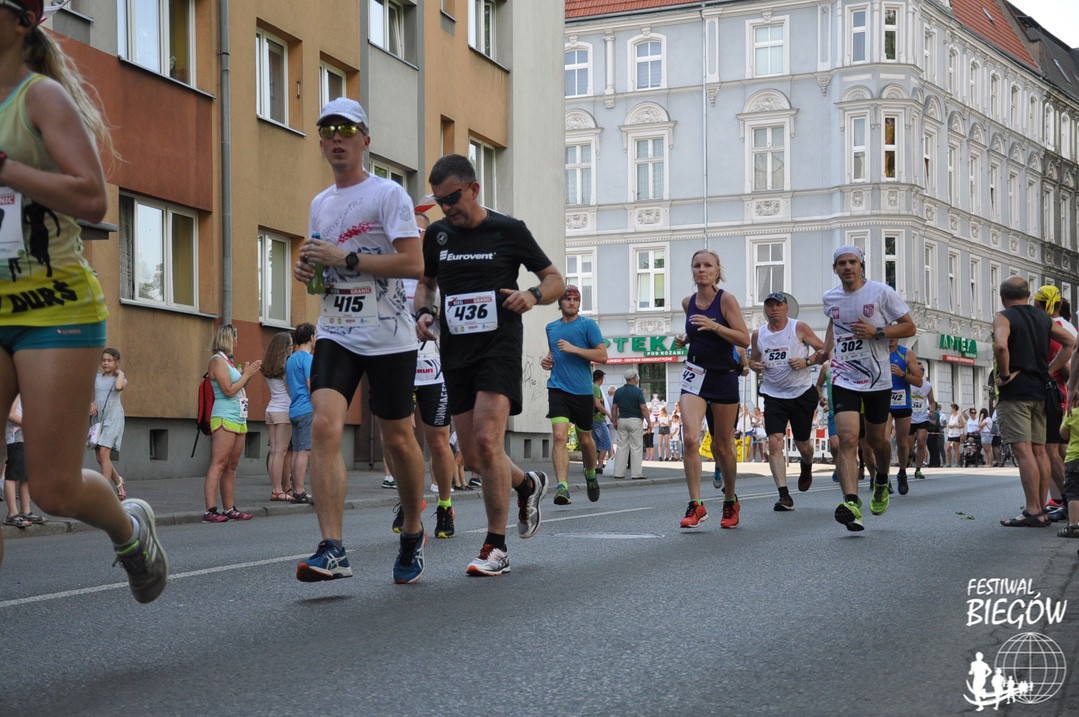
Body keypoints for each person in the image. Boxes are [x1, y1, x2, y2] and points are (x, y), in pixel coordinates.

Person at [0, 0, 167, 600]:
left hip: (54, 310)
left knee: (54, 489)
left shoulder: (39, 98)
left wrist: (6, 169)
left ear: (22, 20)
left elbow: (93, 198)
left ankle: (130, 531)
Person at [292, 98, 428, 584]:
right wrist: (308, 268)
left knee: (398, 438)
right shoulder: (320, 203)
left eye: (347, 130)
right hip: (336, 329)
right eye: (328, 130)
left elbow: (414, 264)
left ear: (365, 140)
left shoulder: (388, 194)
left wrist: (346, 258)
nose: (336, 138)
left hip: (389, 334)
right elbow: (324, 264)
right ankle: (333, 547)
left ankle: (412, 529)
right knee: (324, 425)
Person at [414, 152, 562, 577]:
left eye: (453, 198)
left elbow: (555, 280)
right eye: (440, 201)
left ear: (474, 189)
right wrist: (422, 313)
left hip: (499, 347)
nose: (447, 208)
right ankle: (527, 484)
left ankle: (496, 546)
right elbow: (426, 284)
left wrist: (532, 295)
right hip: (455, 351)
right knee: (477, 458)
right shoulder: (438, 235)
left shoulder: (508, 230)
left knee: (486, 439)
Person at [822, 245, 916, 531]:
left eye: (852, 262)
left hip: (877, 378)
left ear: (861, 266)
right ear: (835, 268)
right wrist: (826, 350)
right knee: (847, 439)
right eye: (841, 263)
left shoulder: (881, 292)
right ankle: (851, 503)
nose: (847, 267)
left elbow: (909, 327)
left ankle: (882, 479)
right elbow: (834, 323)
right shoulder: (830, 297)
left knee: (877, 441)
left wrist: (878, 331)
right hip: (844, 376)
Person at [674, 249, 750, 529]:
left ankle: (730, 500)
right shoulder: (688, 302)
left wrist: (714, 326)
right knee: (690, 439)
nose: (702, 270)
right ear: (692, 270)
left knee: (722, 446)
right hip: (695, 375)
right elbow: (697, 332)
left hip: (723, 376)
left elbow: (743, 338)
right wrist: (685, 339)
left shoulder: (726, 300)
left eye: (708, 265)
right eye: (697, 265)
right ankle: (696, 504)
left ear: (717, 270)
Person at [397, 209, 458, 539]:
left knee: (437, 441)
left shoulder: (440, 272)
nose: (412, 234)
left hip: (433, 370)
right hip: (398, 367)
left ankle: (445, 505)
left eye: (418, 230)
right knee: (399, 439)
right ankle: (408, 503)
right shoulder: (393, 271)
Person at [994, 277, 1073, 527]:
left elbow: (1001, 346)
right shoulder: (1043, 318)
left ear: (1003, 296)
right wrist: (1049, 370)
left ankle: (1032, 509)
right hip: (1041, 391)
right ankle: (1040, 509)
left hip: (1016, 392)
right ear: (1028, 296)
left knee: (1023, 450)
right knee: (1040, 450)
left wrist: (1004, 375)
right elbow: (1070, 343)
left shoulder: (1004, 317)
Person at [748, 291, 826, 512]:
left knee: (803, 444)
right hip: (774, 396)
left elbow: (824, 351)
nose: (774, 309)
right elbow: (753, 360)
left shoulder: (798, 328)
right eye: (770, 305)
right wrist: (754, 365)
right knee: (775, 442)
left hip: (801, 393)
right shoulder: (759, 334)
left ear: (786, 308)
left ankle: (807, 463)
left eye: (778, 305)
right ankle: (784, 495)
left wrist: (807, 361)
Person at [540, 285, 607, 505]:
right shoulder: (551, 328)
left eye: (575, 300)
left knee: (585, 439)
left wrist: (574, 349)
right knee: (559, 436)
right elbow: (554, 354)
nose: (571, 302)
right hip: (557, 389)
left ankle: (590, 473)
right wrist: (546, 361)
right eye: (567, 299)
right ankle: (562, 487)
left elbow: (602, 356)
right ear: (560, 303)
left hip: (582, 391)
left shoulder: (588, 325)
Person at [202, 324, 261, 523]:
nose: (236, 341)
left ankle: (229, 508)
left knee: (232, 465)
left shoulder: (227, 361)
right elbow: (228, 390)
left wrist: (245, 376)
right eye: (235, 337)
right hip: (224, 416)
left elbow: (238, 387)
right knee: (218, 463)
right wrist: (247, 375)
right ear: (227, 338)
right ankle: (210, 510)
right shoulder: (217, 361)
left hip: (238, 417)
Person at [1034, 284, 1077, 515]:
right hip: (1063, 395)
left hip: (1059, 395)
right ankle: (1065, 501)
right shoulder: (1065, 325)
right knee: (1060, 451)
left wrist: (1048, 372)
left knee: (1052, 450)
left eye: (1035, 303)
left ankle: (1068, 501)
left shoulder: (1055, 327)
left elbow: (1069, 364)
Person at [90, 347, 128, 499]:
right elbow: (87, 392)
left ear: (116, 362)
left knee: (104, 453)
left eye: (109, 360)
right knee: (100, 457)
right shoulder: (96, 377)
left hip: (113, 418)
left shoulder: (120, 379)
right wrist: (90, 403)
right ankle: (118, 480)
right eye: (103, 360)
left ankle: (103, 492)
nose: (105, 363)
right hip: (98, 418)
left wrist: (120, 373)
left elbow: (118, 387)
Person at [887, 336, 923, 493]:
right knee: (884, 441)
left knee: (902, 442)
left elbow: (919, 381)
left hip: (903, 403)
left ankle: (902, 472)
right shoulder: (878, 352)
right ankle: (884, 477)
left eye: (893, 336)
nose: (890, 339)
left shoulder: (906, 353)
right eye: (887, 336)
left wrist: (902, 374)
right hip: (884, 401)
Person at [261, 331, 293, 501]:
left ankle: (275, 489)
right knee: (281, 452)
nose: (292, 348)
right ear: (285, 348)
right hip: (284, 410)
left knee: (274, 452)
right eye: (290, 345)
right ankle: (278, 490)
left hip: (271, 408)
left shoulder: (268, 366)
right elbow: (291, 390)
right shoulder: (286, 367)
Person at [284, 323, 315, 504]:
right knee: (304, 451)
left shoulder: (291, 359)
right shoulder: (308, 359)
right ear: (311, 337)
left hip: (294, 407)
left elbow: (288, 385)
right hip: (306, 409)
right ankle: (300, 491)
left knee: (296, 451)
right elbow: (311, 384)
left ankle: (296, 489)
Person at [4, 395, 44, 527]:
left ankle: (25, 512)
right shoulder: (15, 391)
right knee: (12, 476)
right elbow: (10, 414)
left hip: (25, 437)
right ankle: (12, 514)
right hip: (15, 438)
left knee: (26, 477)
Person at [610, 369, 650, 480]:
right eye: (637, 376)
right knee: (636, 447)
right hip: (635, 420)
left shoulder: (618, 391)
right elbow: (643, 408)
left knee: (621, 447)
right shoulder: (638, 392)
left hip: (622, 420)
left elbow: (614, 407)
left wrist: (614, 421)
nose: (638, 378)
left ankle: (618, 473)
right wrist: (649, 422)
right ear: (634, 378)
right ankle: (636, 474)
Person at [908, 363, 935, 479]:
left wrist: (931, 412)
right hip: (909, 417)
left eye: (923, 369)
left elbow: (932, 401)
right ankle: (909, 455)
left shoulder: (927, 385)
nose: (922, 371)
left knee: (921, 442)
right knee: (908, 446)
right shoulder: (908, 383)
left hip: (923, 417)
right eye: (919, 369)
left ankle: (918, 469)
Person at [591, 369, 613, 473]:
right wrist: (608, 414)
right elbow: (597, 404)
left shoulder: (592, 387)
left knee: (596, 443)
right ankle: (599, 465)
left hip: (593, 419)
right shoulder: (596, 388)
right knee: (606, 442)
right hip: (598, 419)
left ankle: (593, 465)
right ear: (601, 378)